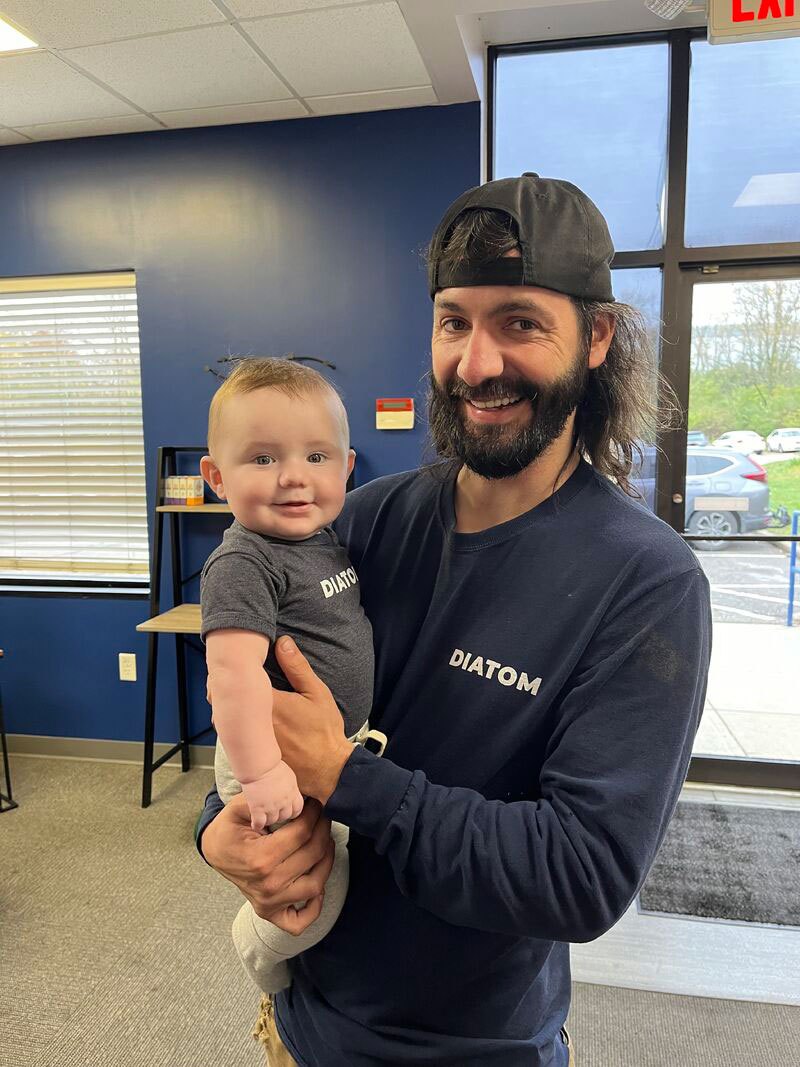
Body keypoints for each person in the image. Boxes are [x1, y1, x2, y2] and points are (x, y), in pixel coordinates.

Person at [195, 173, 711, 1067]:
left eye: (519, 321)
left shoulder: (646, 581)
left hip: (475, 1051)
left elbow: (582, 877)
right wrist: (215, 828)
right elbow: (258, 720)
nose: (476, 362)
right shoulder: (359, 520)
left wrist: (346, 777)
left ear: (596, 337)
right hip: (302, 1028)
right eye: (454, 321)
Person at [199, 357, 382, 995]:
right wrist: (263, 775)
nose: (293, 479)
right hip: (272, 763)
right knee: (311, 899)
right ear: (217, 477)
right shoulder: (245, 561)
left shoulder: (323, 542)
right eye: (262, 459)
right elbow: (233, 677)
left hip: (327, 755)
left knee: (332, 879)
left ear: (348, 468)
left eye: (316, 457)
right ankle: (258, 954)